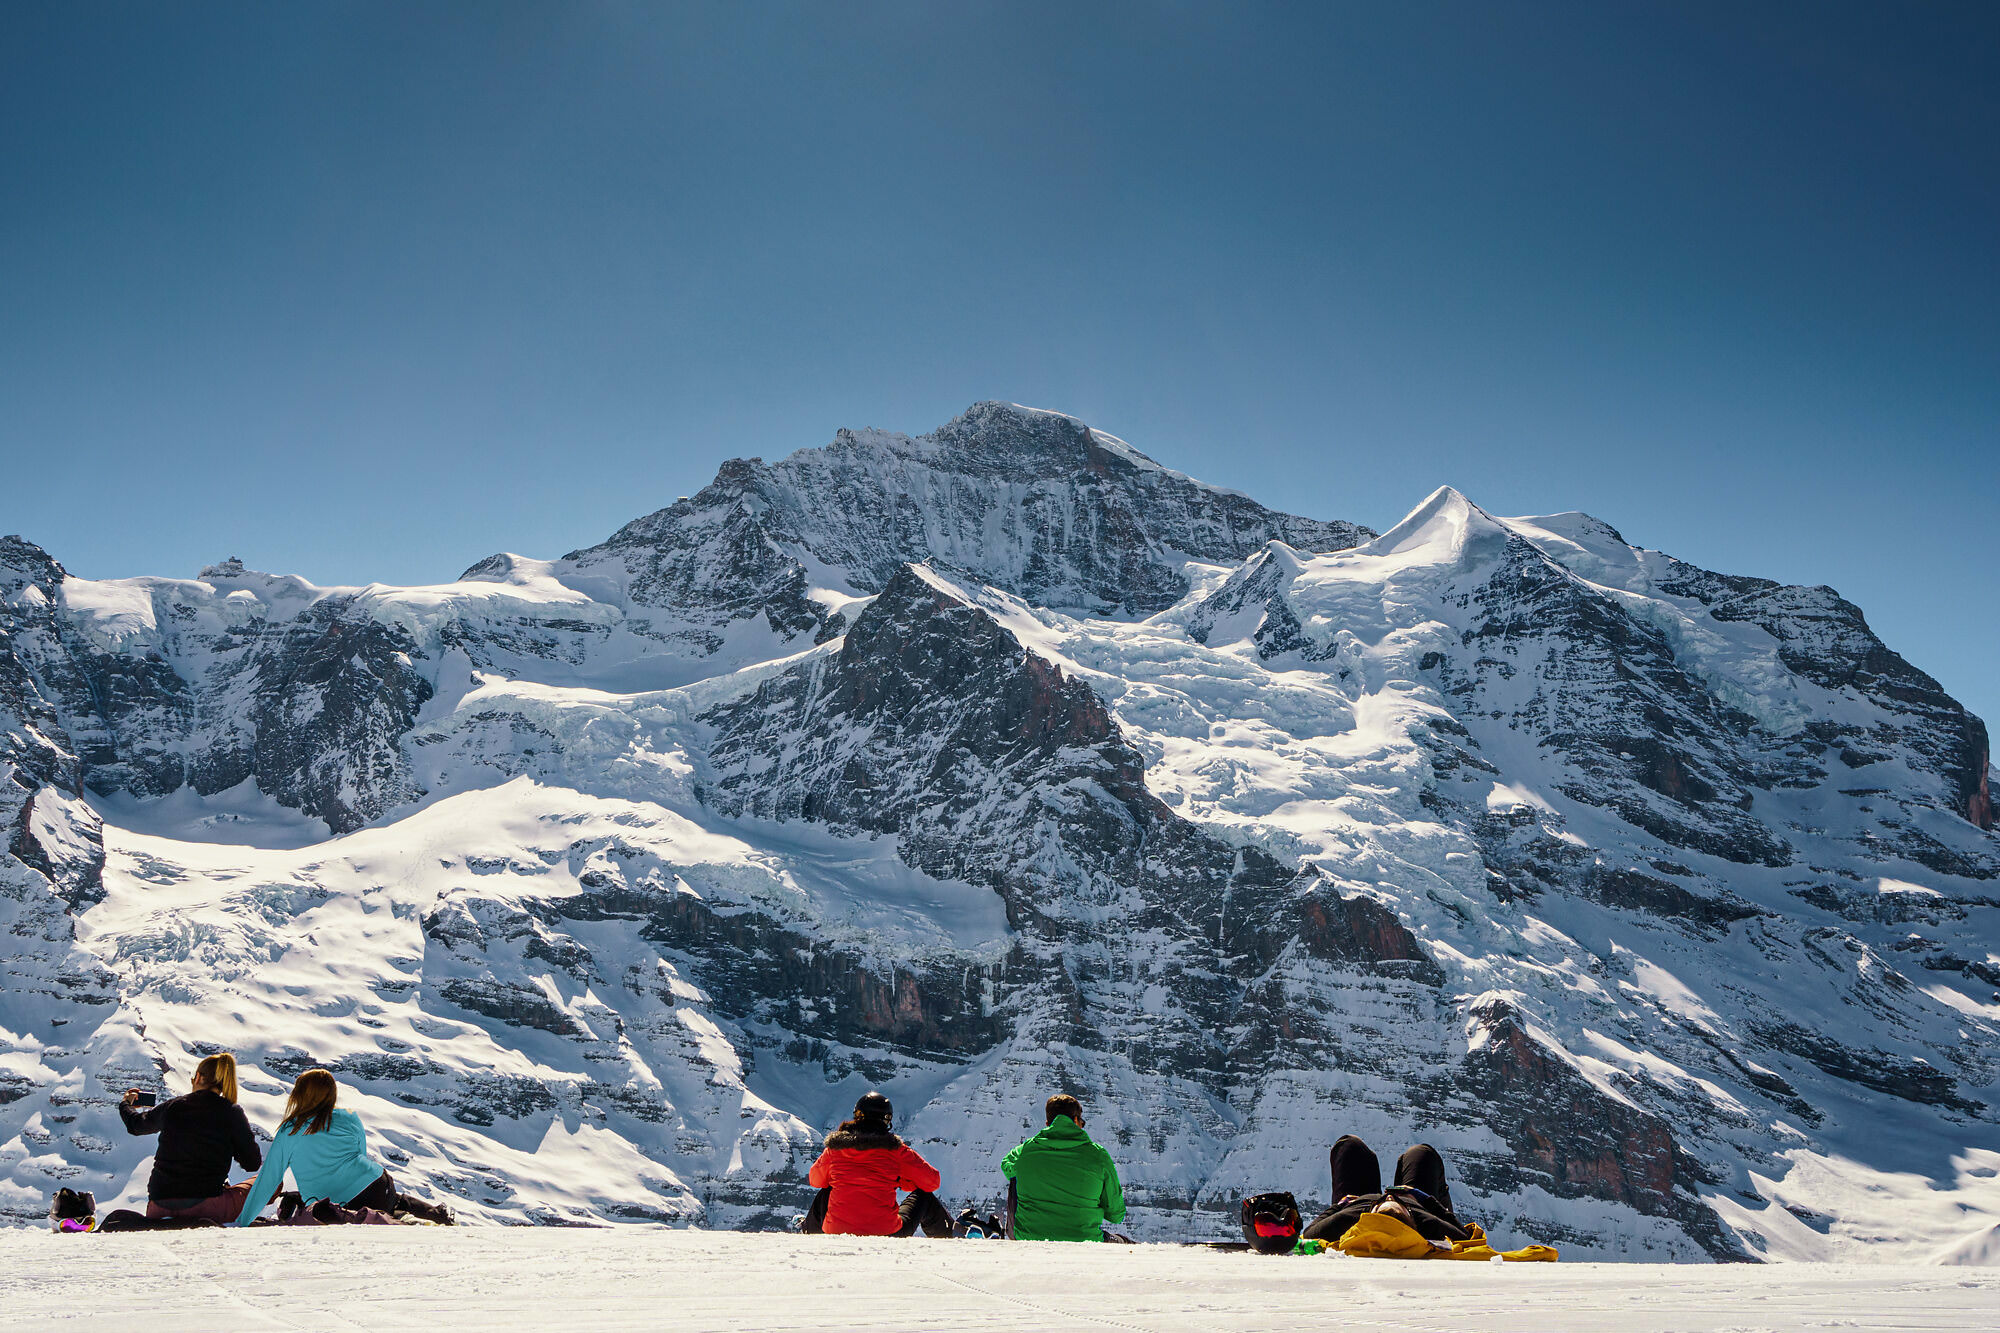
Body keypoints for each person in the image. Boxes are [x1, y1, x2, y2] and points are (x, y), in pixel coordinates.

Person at [232, 1068, 453, 1225]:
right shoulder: (349, 1118)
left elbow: (268, 1180)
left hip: (337, 1205)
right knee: (392, 1202)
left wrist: (243, 1222)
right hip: (376, 1185)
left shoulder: (291, 1129)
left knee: (363, 1214)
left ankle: (411, 1221)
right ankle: (437, 1216)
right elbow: (360, 1156)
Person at [117, 1053, 262, 1223]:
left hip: (158, 1207)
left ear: (198, 1077)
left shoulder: (173, 1106)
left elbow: (136, 1125)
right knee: (267, 1181)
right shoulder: (231, 1112)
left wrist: (126, 1103)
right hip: (206, 1208)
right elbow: (252, 1164)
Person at [803, 1091, 953, 1237]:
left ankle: (808, 1235)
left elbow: (815, 1180)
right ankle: (950, 1236)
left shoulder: (835, 1149)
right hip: (887, 1232)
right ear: (887, 1120)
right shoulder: (897, 1151)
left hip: (837, 1231)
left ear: (857, 1116)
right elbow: (932, 1182)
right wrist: (899, 1180)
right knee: (924, 1196)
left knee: (826, 1190)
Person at [1299, 1134, 1473, 1244]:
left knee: (1349, 1145)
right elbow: (1464, 1238)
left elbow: (1309, 1235)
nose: (1389, 1197)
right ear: (1409, 1215)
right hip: (1415, 1201)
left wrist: (1343, 1203)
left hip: (1357, 1201)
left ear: (1373, 1212)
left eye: (1385, 1201)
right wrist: (1424, 1199)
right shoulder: (1425, 1222)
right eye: (1395, 1202)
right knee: (1422, 1154)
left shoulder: (1350, 1218)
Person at [1000, 1094, 1125, 1242]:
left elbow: (1006, 1165)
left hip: (1029, 1237)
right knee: (1123, 1242)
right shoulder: (1098, 1155)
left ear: (1048, 1123)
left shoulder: (1025, 1151)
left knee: (1016, 1176)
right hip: (1084, 1239)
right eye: (1082, 1123)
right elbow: (1116, 1215)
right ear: (1076, 1120)